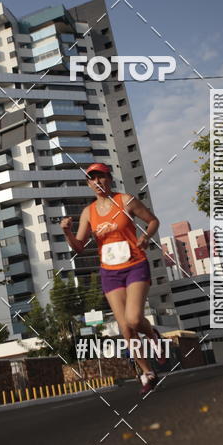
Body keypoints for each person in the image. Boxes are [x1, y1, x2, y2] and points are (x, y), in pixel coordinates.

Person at [61, 162, 161, 396]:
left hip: (135, 264)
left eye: (101, 177)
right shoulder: (88, 212)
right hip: (110, 272)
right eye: (92, 179)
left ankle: (152, 334)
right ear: (89, 184)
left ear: (109, 179)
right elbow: (79, 248)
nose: (97, 182)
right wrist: (66, 232)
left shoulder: (126, 200)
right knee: (125, 327)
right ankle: (147, 373)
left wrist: (146, 236)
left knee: (135, 319)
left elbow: (153, 220)